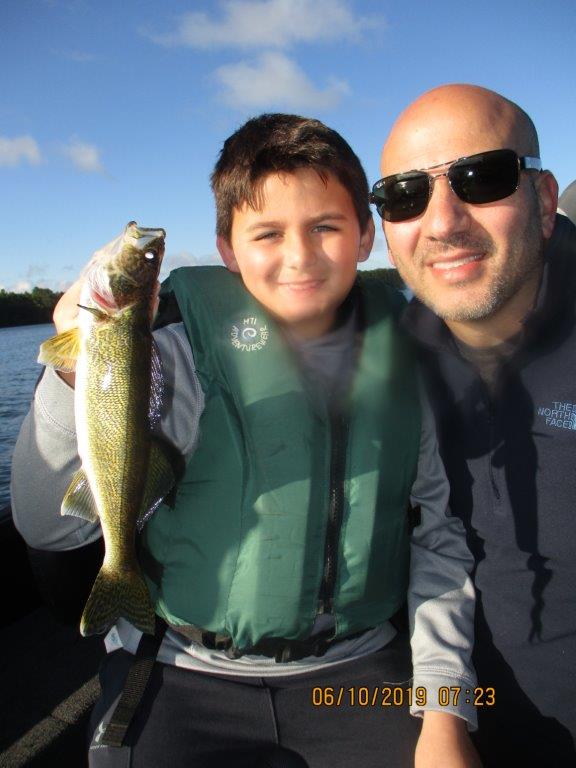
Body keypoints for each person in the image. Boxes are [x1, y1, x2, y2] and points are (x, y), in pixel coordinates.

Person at [11, 114, 480, 768]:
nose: (300, 256)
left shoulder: (414, 361)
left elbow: (439, 537)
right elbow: (48, 527)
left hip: (359, 668)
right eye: (267, 233)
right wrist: (74, 376)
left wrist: (446, 706)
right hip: (182, 668)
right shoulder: (172, 360)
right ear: (227, 250)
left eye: (326, 227)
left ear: (366, 237)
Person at [372, 83, 576, 766]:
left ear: (543, 200)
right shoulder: (389, 361)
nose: (442, 221)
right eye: (404, 195)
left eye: (481, 178)